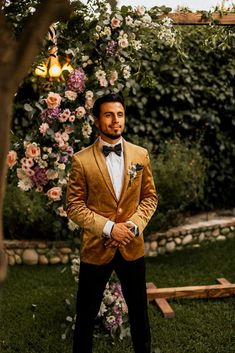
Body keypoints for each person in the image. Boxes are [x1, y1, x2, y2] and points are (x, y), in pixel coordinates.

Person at [66, 92, 158, 353]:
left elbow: (150, 198)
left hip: (132, 245)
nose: (115, 120)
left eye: (119, 114)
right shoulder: (81, 160)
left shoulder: (141, 155)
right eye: (108, 115)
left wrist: (133, 225)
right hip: (97, 249)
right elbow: (74, 205)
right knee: (85, 316)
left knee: (140, 313)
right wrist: (109, 228)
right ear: (97, 120)